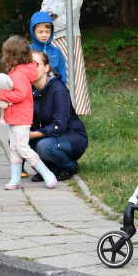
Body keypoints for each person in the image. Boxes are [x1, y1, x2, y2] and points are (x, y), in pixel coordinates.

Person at [0, 35, 57, 190]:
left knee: (22, 148)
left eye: (6, 54)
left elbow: (20, 95)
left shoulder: (19, 74)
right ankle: (15, 179)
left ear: (11, 55)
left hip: (21, 119)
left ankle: (47, 174)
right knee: (15, 148)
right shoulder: (19, 72)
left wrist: (2, 95)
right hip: (15, 118)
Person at [28, 50, 88, 181]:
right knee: (16, 140)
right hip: (49, 136)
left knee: (43, 147)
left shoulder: (58, 90)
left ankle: (70, 166)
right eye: (27, 64)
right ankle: (47, 170)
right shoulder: (29, 90)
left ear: (46, 67)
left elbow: (59, 126)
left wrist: (34, 134)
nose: (30, 68)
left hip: (72, 136)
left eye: (35, 64)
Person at [40, 0, 90, 115]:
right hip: (49, 41)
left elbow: (68, 18)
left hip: (67, 38)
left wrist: (48, 27)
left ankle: (76, 109)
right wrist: (45, 30)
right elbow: (42, 16)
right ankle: (54, 109)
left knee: (71, 75)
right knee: (51, 74)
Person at [29, 11, 67, 84]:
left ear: (51, 32)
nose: (44, 35)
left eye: (47, 32)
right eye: (40, 32)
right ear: (33, 32)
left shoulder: (56, 51)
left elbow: (62, 73)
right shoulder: (29, 51)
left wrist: (61, 88)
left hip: (55, 89)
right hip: (35, 91)